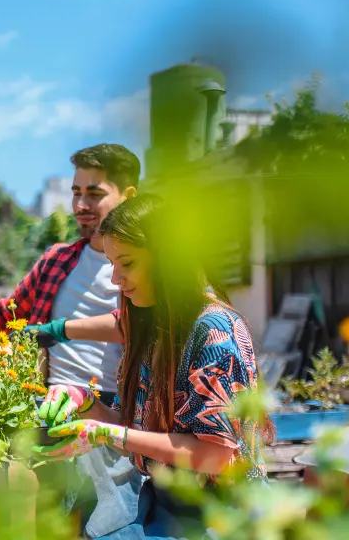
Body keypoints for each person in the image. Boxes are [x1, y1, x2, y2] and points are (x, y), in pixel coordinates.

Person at [34, 194, 269, 539]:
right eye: (113, 264)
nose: (116, 279)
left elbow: (216, 456)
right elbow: (137, 432)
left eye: (126, 263)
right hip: (170, 506)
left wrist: (108, 433)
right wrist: (84, 401)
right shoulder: (157, 326)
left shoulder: (214, 331)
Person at [0, 143, 139, 396]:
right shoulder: (57, 261)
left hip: (120, 409)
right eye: (76, 193)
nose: (81, 205)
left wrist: (56, 330)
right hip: (47, 401)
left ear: (129, 196)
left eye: (94, 194)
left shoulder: (151, 264)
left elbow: (143, 324)